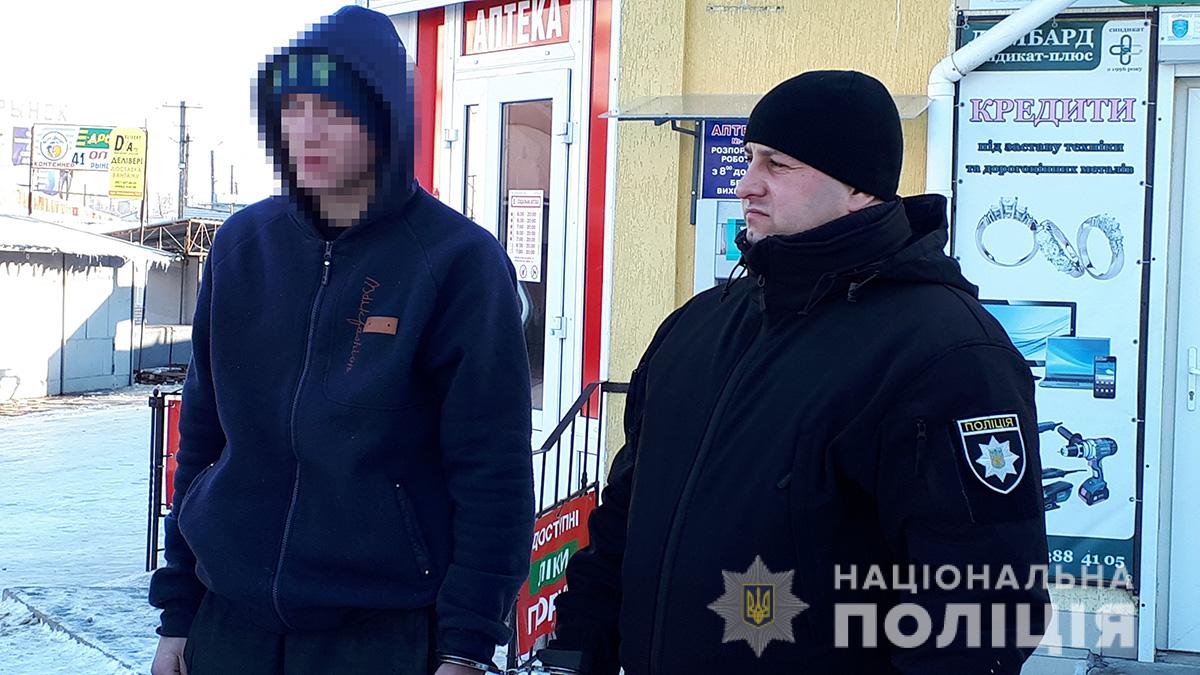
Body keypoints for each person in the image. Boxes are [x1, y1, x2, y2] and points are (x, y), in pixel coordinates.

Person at [548, 70, 1050, 674]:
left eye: (778, 165)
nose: (746, 184)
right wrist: (573, 655)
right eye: (749, 158)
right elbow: (623, 520)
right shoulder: (697, 327)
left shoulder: (947, 352)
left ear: (859, 188)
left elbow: (984, 604)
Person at [148, 7, 534, 674]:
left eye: (335, 108)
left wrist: (466, 645)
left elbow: (492, 468)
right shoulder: (243, 247)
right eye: (293, 107)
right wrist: (178, 613)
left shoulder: (457, 262)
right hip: (229, 624)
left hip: (381, 634)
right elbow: (203, 436)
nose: (308, 130)